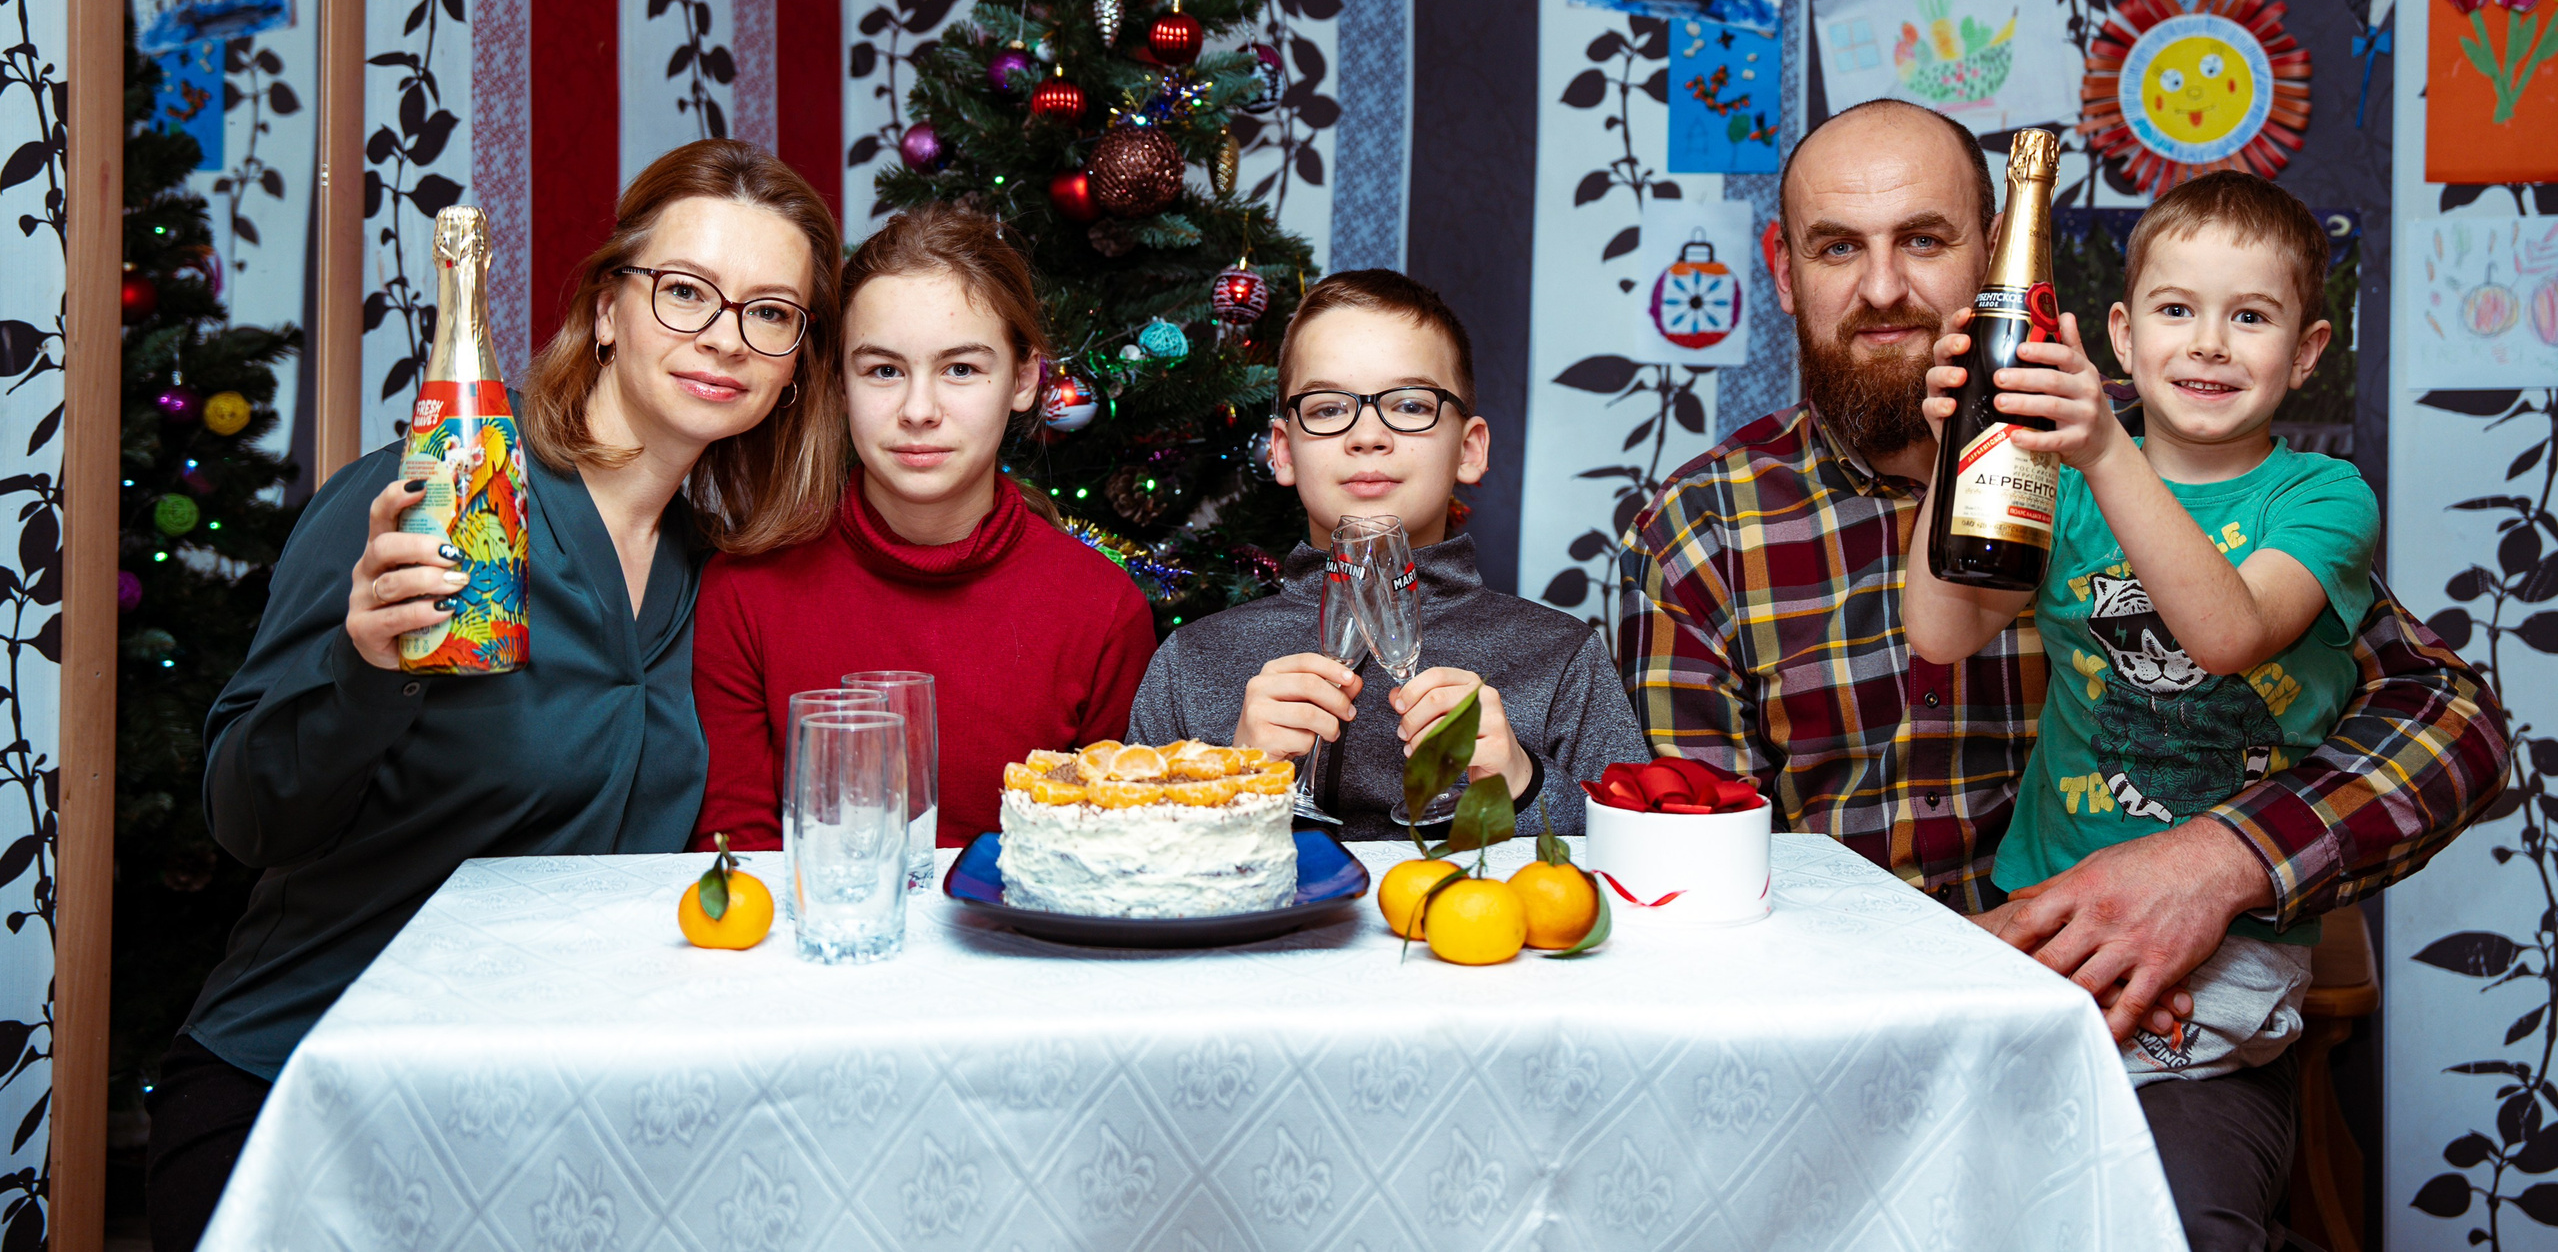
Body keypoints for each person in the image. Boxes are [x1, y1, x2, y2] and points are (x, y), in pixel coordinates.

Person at [1617, 100, 2508, 1250]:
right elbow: (1695, 874)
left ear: (1998, 255)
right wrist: (1935, 988)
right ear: (1784, 274)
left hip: (2158, 1006)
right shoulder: (1703, 528)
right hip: (1854, 1030)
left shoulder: (2166, 470)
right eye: (1837, 247)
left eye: (1924, 240)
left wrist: (2215, 863)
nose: (1883, 288)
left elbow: (2447, 718)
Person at [148, 141, 846, 1252]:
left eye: (770, 312)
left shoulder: (723, 579)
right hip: (306, 1093)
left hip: (547, 1119)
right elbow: (246, 817)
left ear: (797, 361)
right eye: (685, 291)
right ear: (607, 309)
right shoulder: (431, 497)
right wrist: (363, 666)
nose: (725, 336)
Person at [1904, 176, 2368, 1105]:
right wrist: (1958, 451)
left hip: (2233, 933)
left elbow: (2229, 632)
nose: (2208, 342)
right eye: (2176, 309)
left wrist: (2107, 451)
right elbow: (1941, 630)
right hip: (2048, 894)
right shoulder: (2065, 483)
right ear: (2123, 335)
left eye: (2249, 316)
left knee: (2059, 1095)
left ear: (2307, 351)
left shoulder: (2324, 497)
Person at [690, 204, 1156, 852]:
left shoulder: (1102, 610)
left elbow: (1110, 854)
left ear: (1024, 380)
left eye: (960, 369)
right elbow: (734, 855)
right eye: (883, 370)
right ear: (840, 383)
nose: (918, 410)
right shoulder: (744, 592)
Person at [1130, 271, 1649, 836]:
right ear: (1283, 453)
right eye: (1328, 409)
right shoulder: (1191, 663)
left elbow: (1644, 851)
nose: (1367, 436)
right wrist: (1229, 783)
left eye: (1409, 404)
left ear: (1469, 450)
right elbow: (1123, 854)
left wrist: (1523, 785)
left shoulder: (1562, 658)